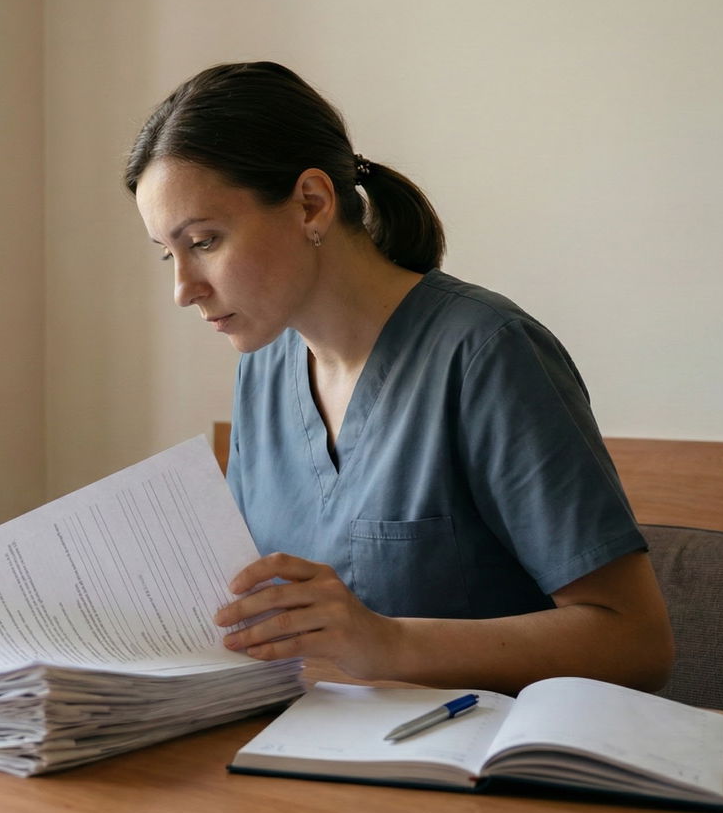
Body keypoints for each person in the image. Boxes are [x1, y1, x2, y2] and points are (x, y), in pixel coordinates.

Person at [126, 62, 673, 695]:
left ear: (312, 202)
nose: (183, 290)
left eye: (205, 240)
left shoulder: (486, 354)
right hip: (310, 747)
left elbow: (638, 644)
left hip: (472, 766)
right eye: (170, 254)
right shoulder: (265, 367)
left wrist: (387, 641)